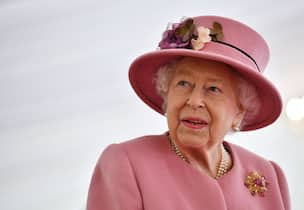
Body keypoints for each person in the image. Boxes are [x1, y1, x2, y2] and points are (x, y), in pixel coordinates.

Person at [86, 15, 290, 210]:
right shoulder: (125, 163)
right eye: (183, 84)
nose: (194, 101)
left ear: (239, 112)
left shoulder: (269, 175)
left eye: (213, 89)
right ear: (167, 95)